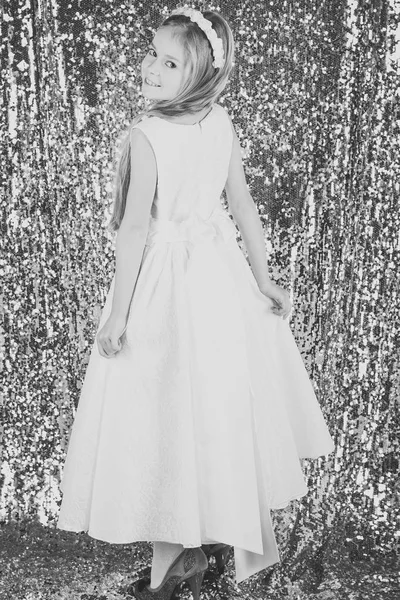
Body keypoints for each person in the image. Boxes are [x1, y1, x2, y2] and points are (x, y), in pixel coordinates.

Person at [56, 6, 335, 600]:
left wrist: (118, 315)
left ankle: (171, 562)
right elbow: (243, 208)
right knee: (209, 407)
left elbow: (136, 233)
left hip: (167, 286)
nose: (150, 67)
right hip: (216, 280)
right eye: (151, 53)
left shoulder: (146, 136)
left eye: (169, 61)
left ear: (201, 74)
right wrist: (257, 279)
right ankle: (186, 551)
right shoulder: (220, 123)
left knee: (162, 415)